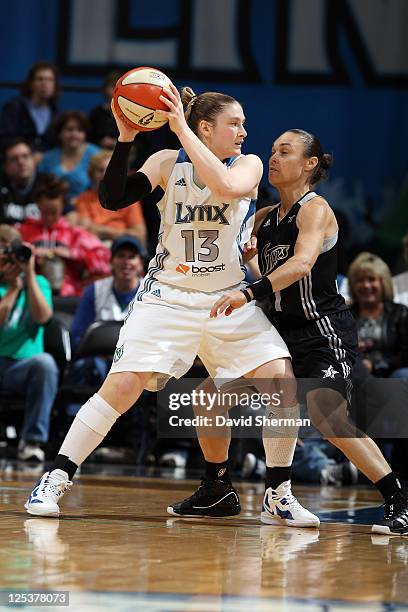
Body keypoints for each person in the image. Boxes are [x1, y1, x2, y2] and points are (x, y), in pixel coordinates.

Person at [24, 86, 317, 527]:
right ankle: (56, 477)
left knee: (281, 381)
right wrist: (125, 137)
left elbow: (224, 185)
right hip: (167, 296)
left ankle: (278, 493)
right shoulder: (166, 163)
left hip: (228, 296)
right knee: (122, 386)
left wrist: (177, 126)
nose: (244, 131)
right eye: (234, 123)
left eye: (242, 124)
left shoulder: (250, 165)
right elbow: (112, 199)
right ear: (206, 127)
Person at [209, 129, 408, 536]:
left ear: (310, 164)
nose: (274, 158)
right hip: (278, 330)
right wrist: (249, 268)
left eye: (285, 152)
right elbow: (266, 274)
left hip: (322, 330)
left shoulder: (315, 210)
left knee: (328, 415)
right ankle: (221, 487)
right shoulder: (263, 217)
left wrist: (250, 292)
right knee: (212, 393)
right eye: (272, 152)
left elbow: (300, 266)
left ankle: (399, 498)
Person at [0, 224, 58, 461]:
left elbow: (43, 318)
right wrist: (12, 289)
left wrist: (30, 274)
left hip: (23, 366)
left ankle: (32, 441)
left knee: (46, 364)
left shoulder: (40, 283)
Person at [18, 176, 111, 296]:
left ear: (62, 207)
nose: (49, 217)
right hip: (33, 294)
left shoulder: (74, 233)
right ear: (38, 205)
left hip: (69, 294)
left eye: (54, 212)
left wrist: (73, 254)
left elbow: (104, 263)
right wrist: (32, 253)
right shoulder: (24, 230)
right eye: (45, 212)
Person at [67, 150, 147, 244]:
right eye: (100, 170)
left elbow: (140, 235)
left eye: (110, 170)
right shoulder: (84, 199)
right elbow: (87, 230)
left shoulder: (129, 198)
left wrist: (102, 230)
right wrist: (122, 232)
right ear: (92, 175)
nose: (105, 174)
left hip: (122, 247)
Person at [0, 61, 59, 159]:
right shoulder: (14, 107)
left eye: (49, 80)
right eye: (40, 79)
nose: (44, 84)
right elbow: (6, 137)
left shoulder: (56, 113)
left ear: (55, 85)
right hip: (17, 160)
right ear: (31, 83)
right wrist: (29, 155)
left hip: (46, 163)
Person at [38, 111, 100, 202]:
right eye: (69, 129)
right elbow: (40, 188)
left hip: (87, 208)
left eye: (80, 130)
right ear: (59, 133)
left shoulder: (96, 155)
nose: (74, 134)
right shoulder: (48, 158)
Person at [0, 139, 49, 224]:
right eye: (14, 159)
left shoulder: (49, 183)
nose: (21, 162)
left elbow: (69, 214)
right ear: (5, 166)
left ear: (34, 160)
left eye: (25, 156)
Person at [88, 71, 121, 150]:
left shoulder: (131, 115)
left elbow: (139, 143)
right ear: (104, 89)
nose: (116, 91)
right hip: (97, 155)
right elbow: (87, 138)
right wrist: (101, 142)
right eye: (113, 87)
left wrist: (114, 142)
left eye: (119, 88)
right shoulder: (96, 113)